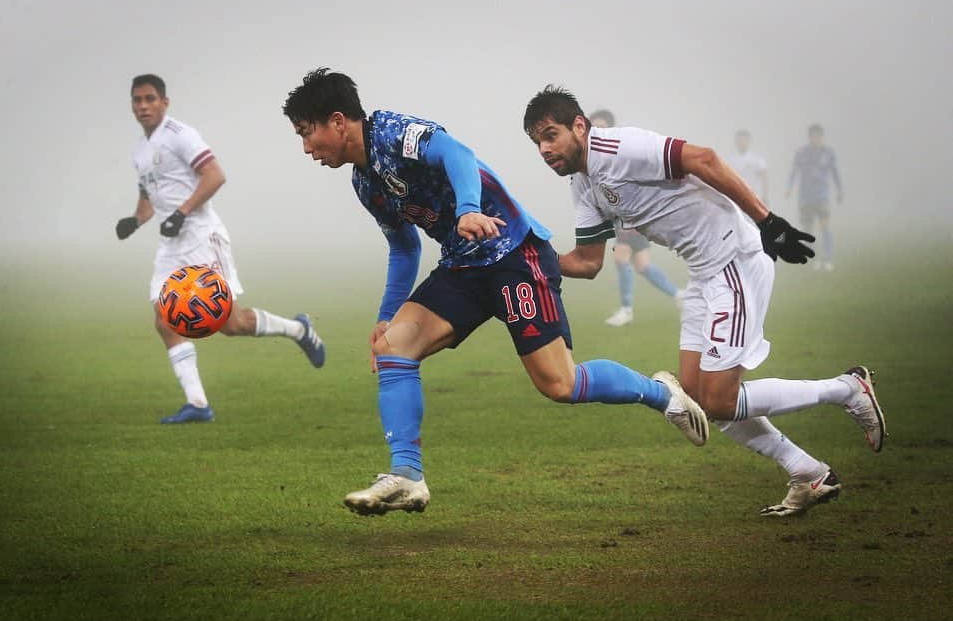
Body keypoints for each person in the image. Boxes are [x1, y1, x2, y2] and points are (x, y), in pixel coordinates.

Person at [282, 68, 709, 516]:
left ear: (337, 120)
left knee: (560, 384)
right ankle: (407, 475)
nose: (307, 148)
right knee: (394, 347)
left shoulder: (393, 131)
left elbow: (458, 155)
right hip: (463, 263)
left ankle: (662, 394)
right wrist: (387, 314)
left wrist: (468, 210)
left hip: (513, 252)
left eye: (306, 133)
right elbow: (404, 246)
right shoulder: (365, 183)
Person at [523, 86, 886, 517]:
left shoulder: (619, 146)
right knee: (696, 394)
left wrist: (768, 222)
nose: (545, 149)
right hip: (703, 273)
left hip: (734, 258)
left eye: (551, 135)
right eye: (537, 143)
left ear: (579, 126)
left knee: (717, 398)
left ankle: (848, 389)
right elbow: (587, 262)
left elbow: (704, 159)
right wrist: (524, 257)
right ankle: (808, 472)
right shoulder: (583, 185)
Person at [117, 74, 326, 424]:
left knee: (231, 323)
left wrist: (183, 213)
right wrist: (135, 221)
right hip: (171, 244)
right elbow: (149, 202)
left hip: (201, 236)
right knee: (164, 318)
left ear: (164, 102)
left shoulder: (180, 136)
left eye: (150, 99)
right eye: (137, 100)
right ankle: (198, 404)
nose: (143, 106)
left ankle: (299, 329)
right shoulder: (140, 150)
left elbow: (215, 175)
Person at [588, 110, 682, 327]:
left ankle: (626, 310)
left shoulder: (620, 152)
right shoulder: (593, 157)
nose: (597, 130)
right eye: (593, 126)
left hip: (631, 217)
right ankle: (678, 295)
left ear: (611, 128)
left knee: (621, 259)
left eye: (601, 126)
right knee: (642, 265)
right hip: (621, 217)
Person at [786, 124, 842, 271]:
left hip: (822, 196)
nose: (815, 139)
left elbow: (835, 172)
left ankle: (828, 259)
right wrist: (789, 187)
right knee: (808, 229)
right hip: (805, 197)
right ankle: (814, 259)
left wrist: (839, 190)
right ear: (809, 137)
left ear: (822, 137)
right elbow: (794, 171)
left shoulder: (828, 153)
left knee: (824, 226)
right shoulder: (802, 153)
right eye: (813, 136)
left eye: (818, 136)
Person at [726, 129, 767, 201]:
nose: (742, 142)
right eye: (740, 140)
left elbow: (763, 178)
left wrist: (764, 196)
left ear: (749, 141)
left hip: (754, 196)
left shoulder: (757, 160)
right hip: (736, 195)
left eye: (744, 140)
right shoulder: (730, 160)